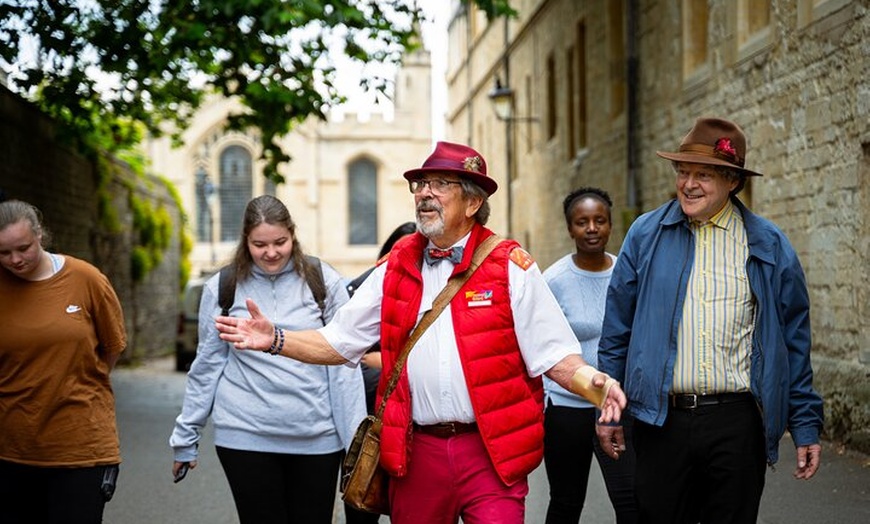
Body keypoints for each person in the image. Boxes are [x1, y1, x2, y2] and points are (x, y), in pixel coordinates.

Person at [214, 141, 627, 524]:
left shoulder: (510, 266)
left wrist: (597, 385)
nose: (424, 193)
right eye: (421, 184)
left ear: (473, 202)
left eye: (441, 184)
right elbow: (339, 342)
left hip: (491, 454)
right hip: (416, 454)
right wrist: (276, 340)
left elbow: (555, 357)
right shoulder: (395, 265)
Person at [596, 117, 824, 523]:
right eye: (682, 171)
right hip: (660, 420)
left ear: (732, 181)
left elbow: (794, 341)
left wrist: (805, 423)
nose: (688, 183)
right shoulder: (645, 235)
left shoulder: (767, 244)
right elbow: (617, 329)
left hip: (736, 422)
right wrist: (608, 409)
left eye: (703, 174)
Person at [169, 195, 366, 524]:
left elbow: (344, 366)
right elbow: (207, 366)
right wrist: (186, 436)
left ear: (293, 234)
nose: (271, 252)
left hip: (316, 438)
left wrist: (355, 444)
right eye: (259, 244)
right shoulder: (224, 287)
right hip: (245, 435)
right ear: (245, 241)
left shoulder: (323, 281)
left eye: (280, 242)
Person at [0, 199, 127, 524]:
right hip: (12, 450)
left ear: (40, 234)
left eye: (23, 248)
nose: (15, 259)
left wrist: (74, 381)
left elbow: (111, 348)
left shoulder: (86, 279)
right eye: (3, 253)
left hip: (81, 448)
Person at [542, 187, 637, 524]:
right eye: (582, 222)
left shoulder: (628, 273)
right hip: (567, 411)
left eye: (600, 220)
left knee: (631, 501)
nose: (592, 228)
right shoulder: (553, 281)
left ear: (611, 225)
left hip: (616, 407)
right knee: (566, 503)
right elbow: (542, 344)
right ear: (570, 229)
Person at [343, 220, 415, 524]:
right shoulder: (364, 288)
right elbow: (348, 351)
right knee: (363, 500)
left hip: (419, 421)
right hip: (373, 415)